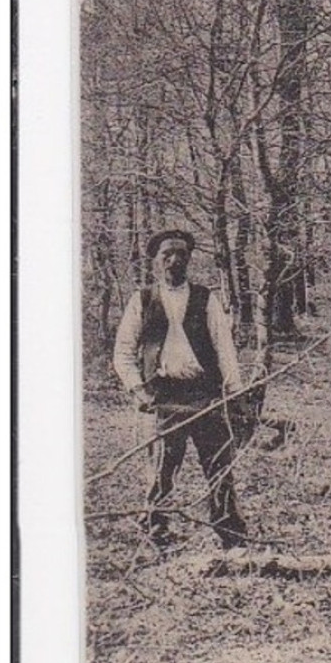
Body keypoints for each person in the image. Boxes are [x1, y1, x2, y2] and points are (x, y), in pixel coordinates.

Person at [112, 228, 248, 549]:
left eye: (181, 255)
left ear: (189, 259)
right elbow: (123, 353)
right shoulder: (141, 300)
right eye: (167, 255)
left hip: (205, 395)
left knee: (219, 467)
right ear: (156, 261)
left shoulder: (206, 298)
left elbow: (224, 348)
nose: (174, 260)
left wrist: (235, 392)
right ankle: (156, 533)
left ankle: (231, 535)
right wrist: (139, 392)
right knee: (161, 470)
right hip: (162, 399)